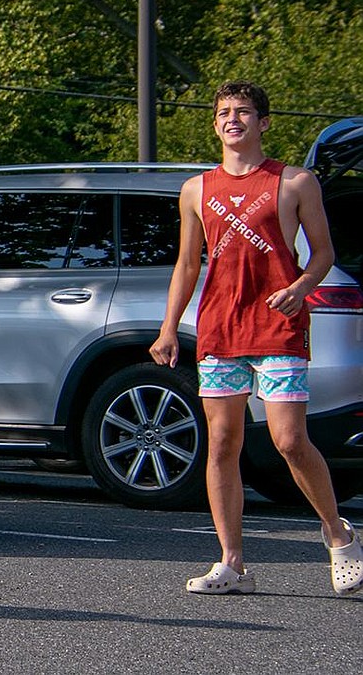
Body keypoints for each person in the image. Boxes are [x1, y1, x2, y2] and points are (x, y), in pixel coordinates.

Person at [150, 80, 363, 597]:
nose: (232, 120)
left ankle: (339, 535)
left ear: (263, 123)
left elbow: (324, 254)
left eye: (243, 112)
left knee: (289, 439)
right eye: (224, 112)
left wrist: (302, 287)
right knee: (222, 443)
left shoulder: (295, 182)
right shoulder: (196, 189)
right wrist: (167, 327)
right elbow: (187, 263)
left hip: (278, 327)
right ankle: (232, 563)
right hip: (220, 328)